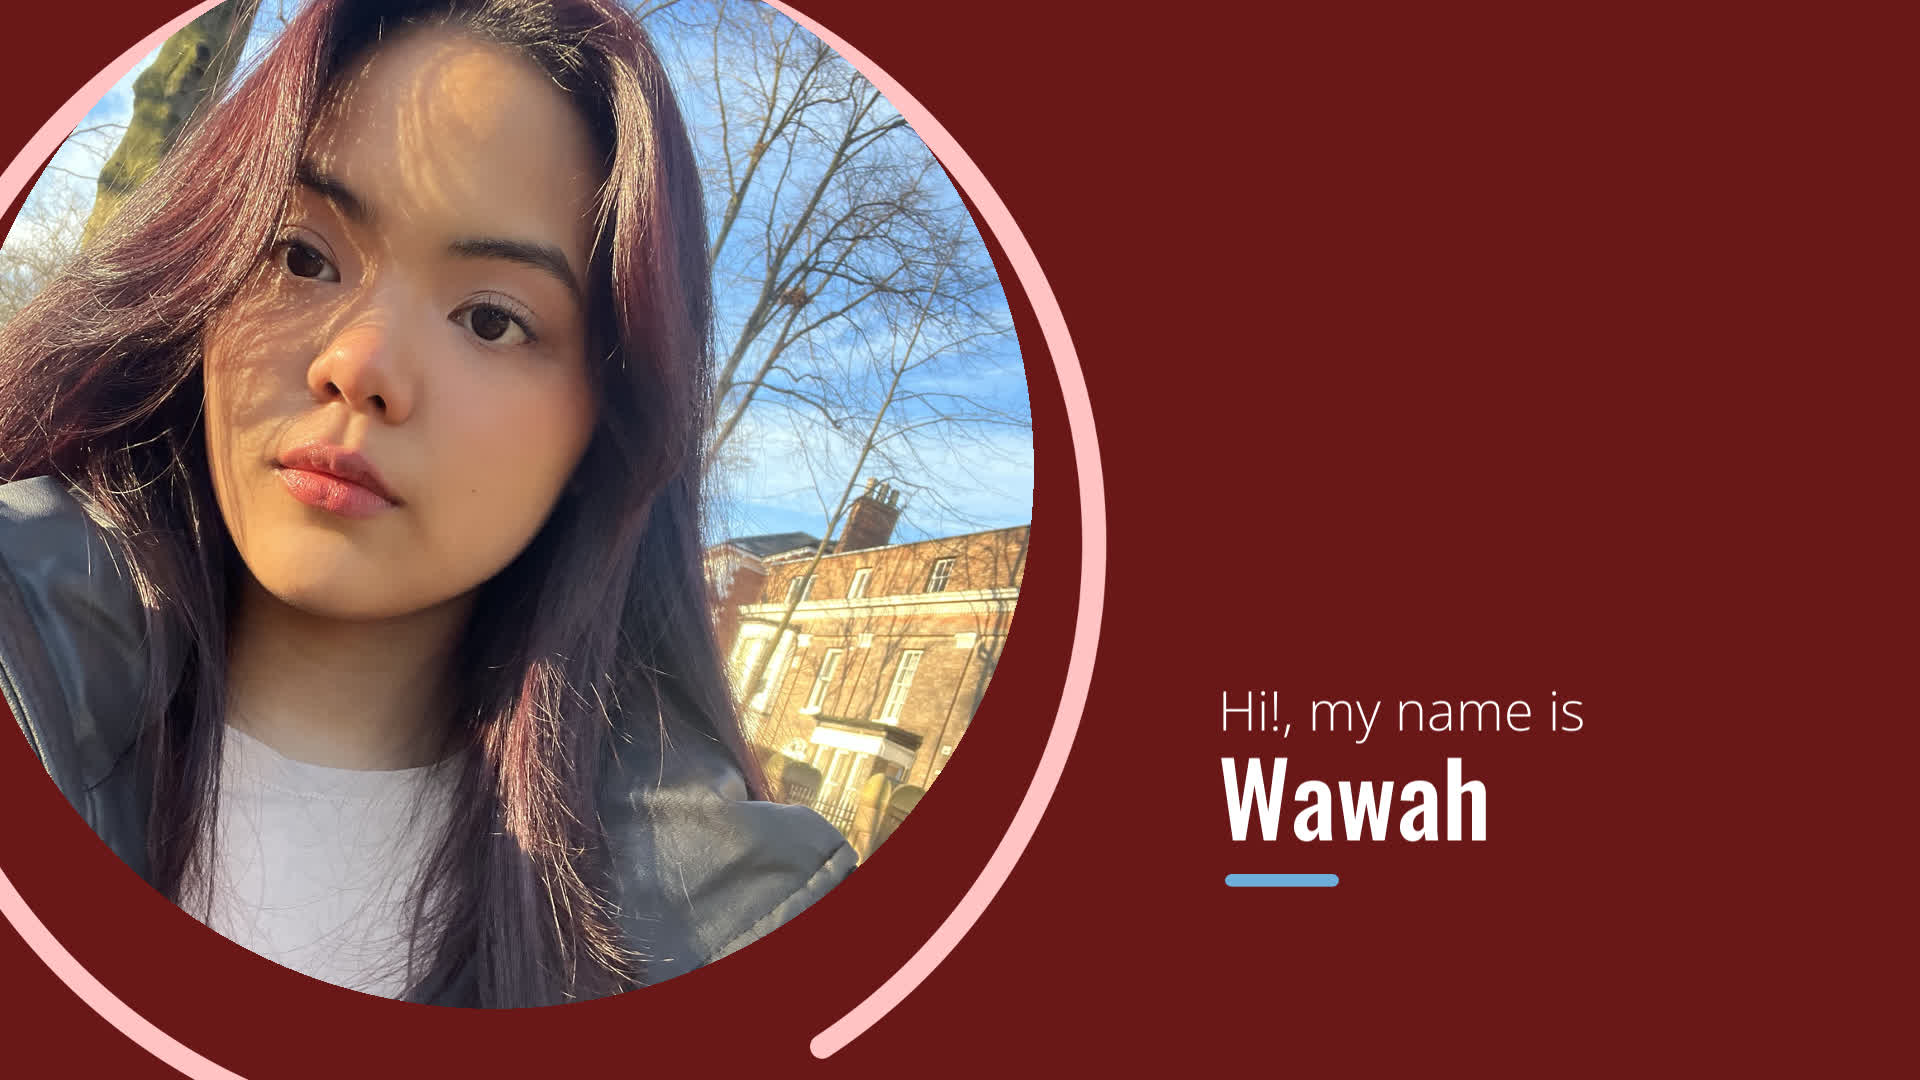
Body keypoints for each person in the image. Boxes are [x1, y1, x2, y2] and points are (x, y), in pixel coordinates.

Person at [0, 0, 854, 1007]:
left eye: (490, 320)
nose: (360, 366)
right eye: (302, 256)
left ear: (606, 429)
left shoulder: (729, 935)